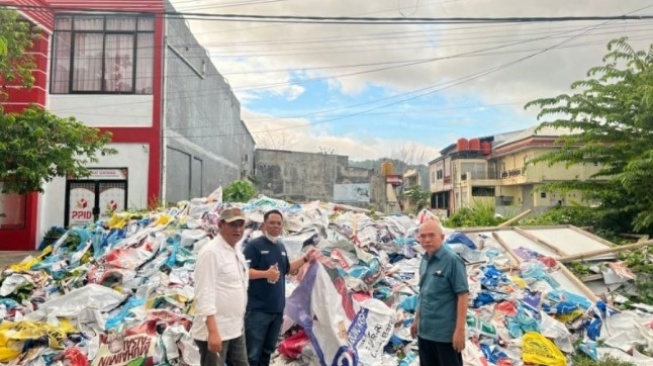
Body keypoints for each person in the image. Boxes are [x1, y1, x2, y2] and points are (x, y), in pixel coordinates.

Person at [243, 209, 316, 366]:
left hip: (276, 311)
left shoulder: (280, 247)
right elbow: (243, 271)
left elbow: (287, 269)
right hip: (257, 311)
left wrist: (305, 258)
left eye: (278, 223)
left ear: (282, 226)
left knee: (267, 352)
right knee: (252, 354)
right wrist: (265, 274)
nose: (275, 226)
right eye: (272, 223)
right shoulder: (254, 246)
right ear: (264, 225)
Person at [191, 207, 249, 366]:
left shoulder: (236, 251)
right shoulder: (211, 252)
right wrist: (213, 332)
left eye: (240, 225)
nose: (237, 229)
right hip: (216, 330)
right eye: (232, 225)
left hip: (235, 328)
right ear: (220, 225)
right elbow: (204, 293)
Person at [410, 220, 469, 366]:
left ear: (442, 237)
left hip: (445, 336)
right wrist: (416, 320)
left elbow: (462, 296)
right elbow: (423, 294)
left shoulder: (452, 261)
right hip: (425, 333)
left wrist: (460, 330)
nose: (427, 240)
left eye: (431, 235)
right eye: (423, 236)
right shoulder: (425, 260)